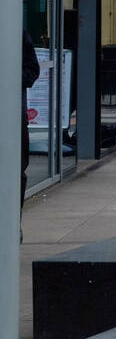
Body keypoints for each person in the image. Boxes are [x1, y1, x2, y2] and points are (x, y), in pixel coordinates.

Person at [22, 30, 40, 238]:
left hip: (14, 116)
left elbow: (32, 70)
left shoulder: (17, 32)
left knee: (18, 171)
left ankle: (13, 223)